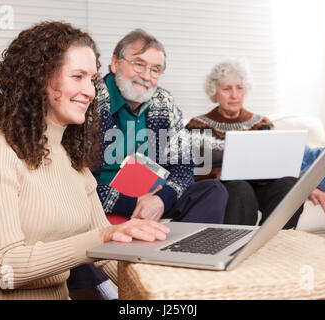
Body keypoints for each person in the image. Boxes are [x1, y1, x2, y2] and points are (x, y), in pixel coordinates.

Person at [0, 21, 169, 300]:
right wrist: (103, 237)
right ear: (40, 78)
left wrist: (166, 287)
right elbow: (7, 267)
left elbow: (106, 257)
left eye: (91, 80)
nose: (90, 91)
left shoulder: (73, 160)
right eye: (77, 76)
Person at [93, 29, 228, 223]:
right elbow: (78, 181)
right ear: (115, 63)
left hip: (154, 199)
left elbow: (183, 166)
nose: (146, 76)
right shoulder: (91, 99)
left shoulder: (164, 102)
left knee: (213, 191)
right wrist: (132, 203)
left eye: (155, 69)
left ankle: (181, 249)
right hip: (105, 204)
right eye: (139, 65)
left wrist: (160, 201)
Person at [185, 58, 325, 228]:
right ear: (215, 92)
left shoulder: (261, 123)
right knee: (240, 187)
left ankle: (272, 244)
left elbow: (281, 164)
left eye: (239, 88)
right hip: (229, 191)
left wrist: (310, 187)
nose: (234, 95)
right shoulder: (197, 125)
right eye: (227, 89)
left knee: (288, 184)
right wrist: (218, 173)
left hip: (261, 188)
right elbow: (192, 172)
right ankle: (237, 248)